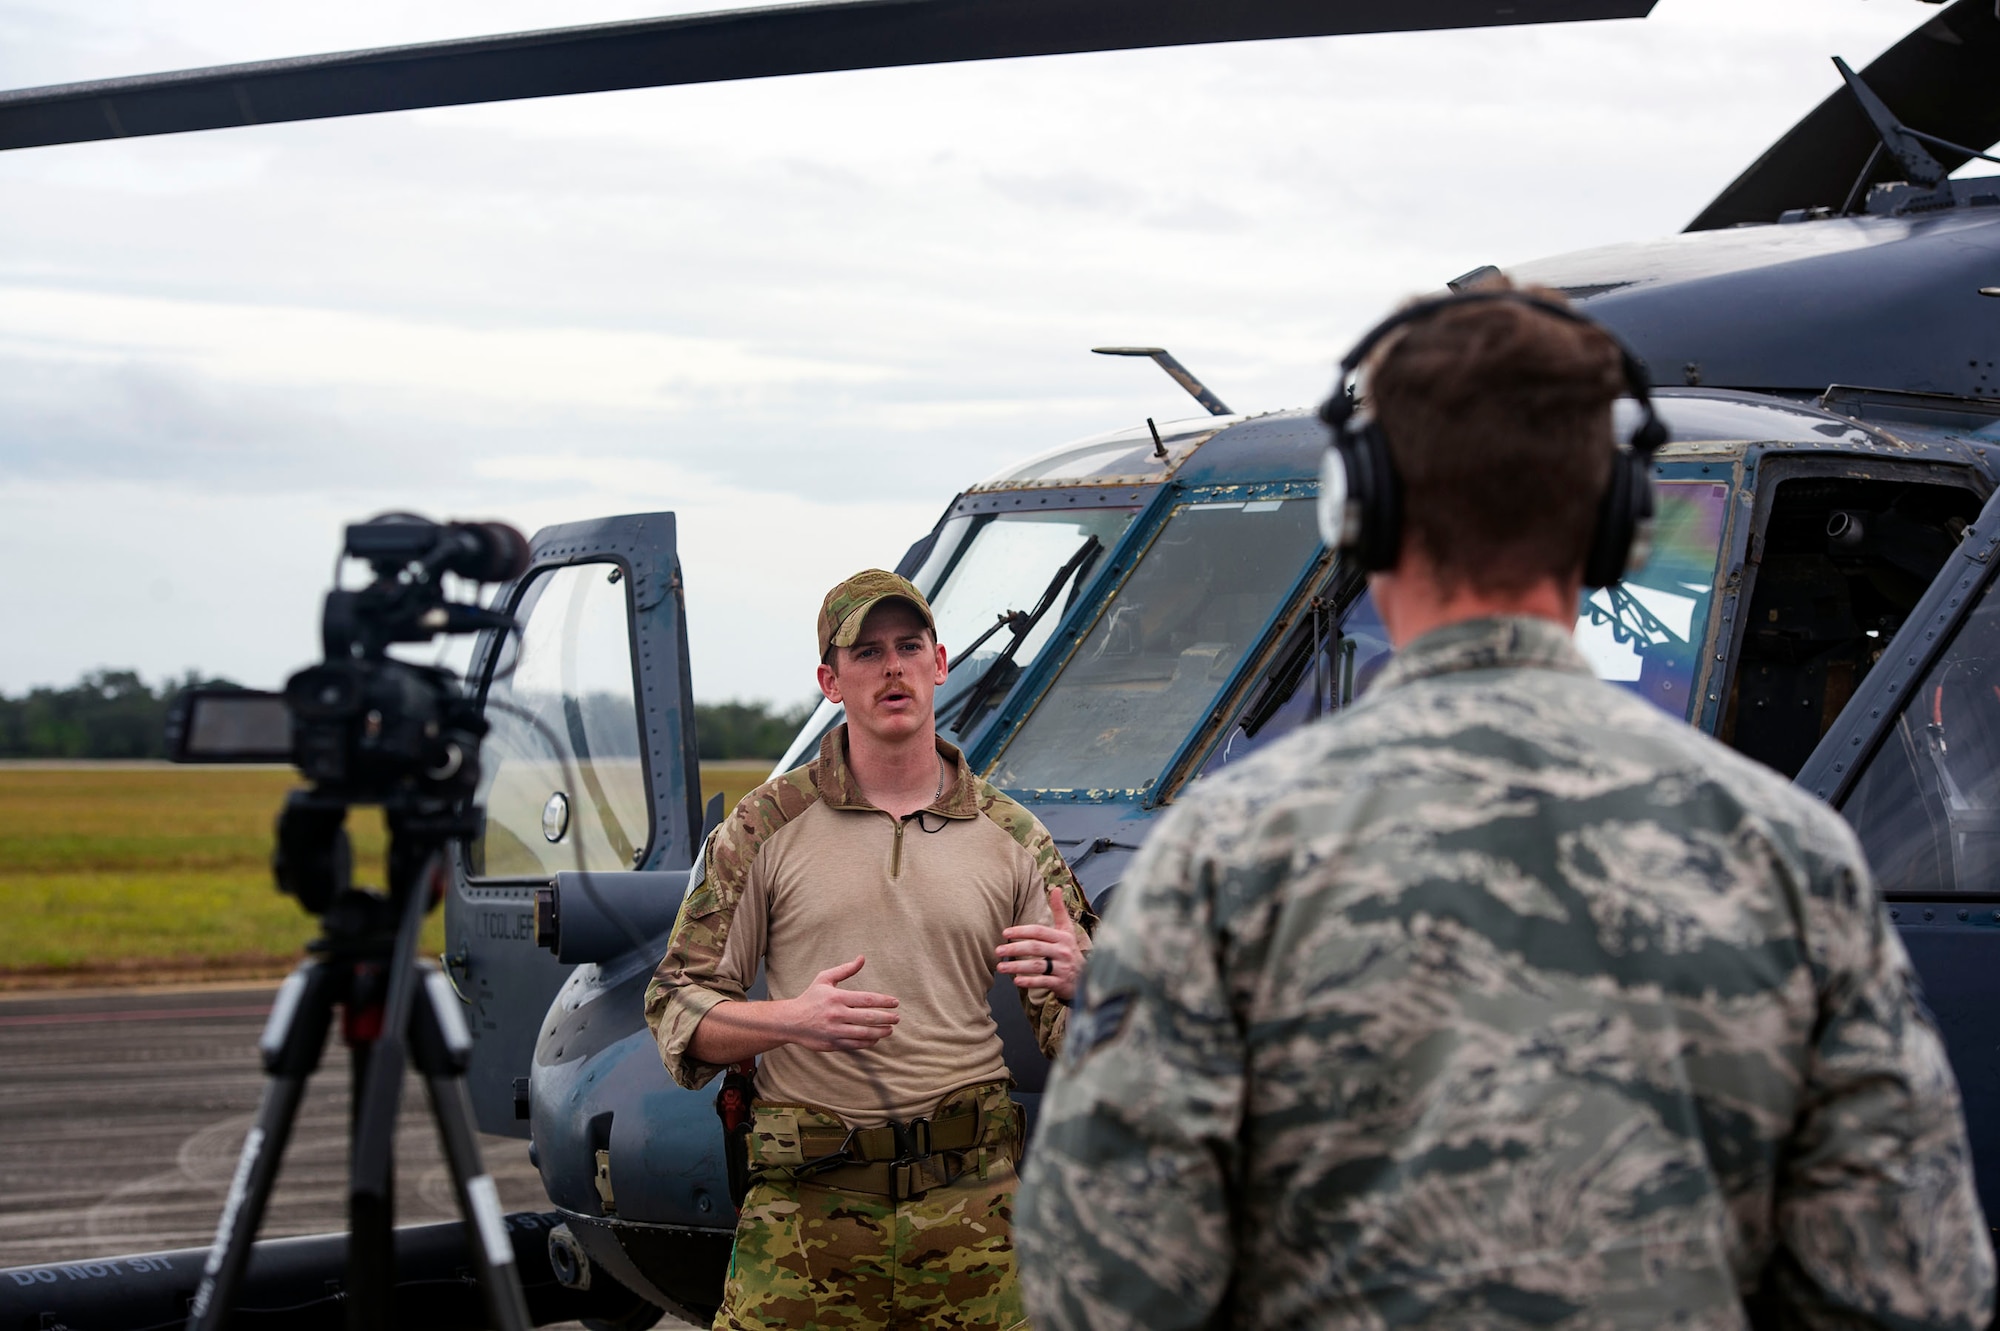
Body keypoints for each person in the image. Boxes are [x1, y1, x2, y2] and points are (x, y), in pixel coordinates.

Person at [1014, 287, 1995, 1329]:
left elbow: (1098, 1279)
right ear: (1615, 525)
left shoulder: (1218, 857)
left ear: (1360, 519)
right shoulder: (1788, 858)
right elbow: (1908, 1284)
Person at [645, 568, 1095, 1331]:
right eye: (867, 651)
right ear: (831, 679)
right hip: (806, 1213)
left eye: (909, 645)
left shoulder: (1014, 838)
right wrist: (790, 1019)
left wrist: (1097, 982)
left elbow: (1088, 1035)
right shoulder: (765, 827)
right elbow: (675, 1004)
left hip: (973, 1214)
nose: (893, 667)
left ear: (940, 662)